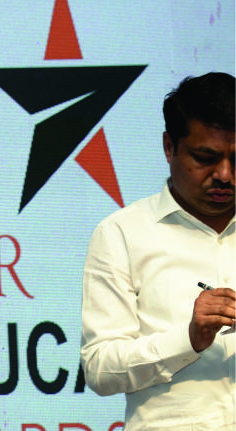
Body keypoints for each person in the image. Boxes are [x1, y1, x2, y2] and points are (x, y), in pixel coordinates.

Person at [80, 72, 235, 429]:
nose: (225, 175)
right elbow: (100, 369)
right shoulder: (122, 233)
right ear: (169, 146)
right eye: (206, 157)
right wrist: (188, 339)